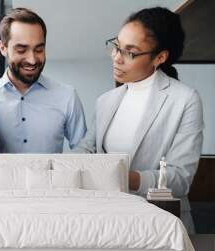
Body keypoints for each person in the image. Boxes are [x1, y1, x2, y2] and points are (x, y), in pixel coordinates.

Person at [76, 7, 204, 233]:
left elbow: (179, 179)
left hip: (162, 224)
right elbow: (87, 149)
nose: (116, 58)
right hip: (109, 223)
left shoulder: (185, 99)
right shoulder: (106, 101)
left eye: (130, 53)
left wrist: (122, 177)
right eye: (116, 46)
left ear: (160, 57)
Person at [0, 8, 86, 153]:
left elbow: (84, 151)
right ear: (3, 48)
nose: (32, 60)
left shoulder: (67, 96)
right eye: (21, 50)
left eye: (39, 49)